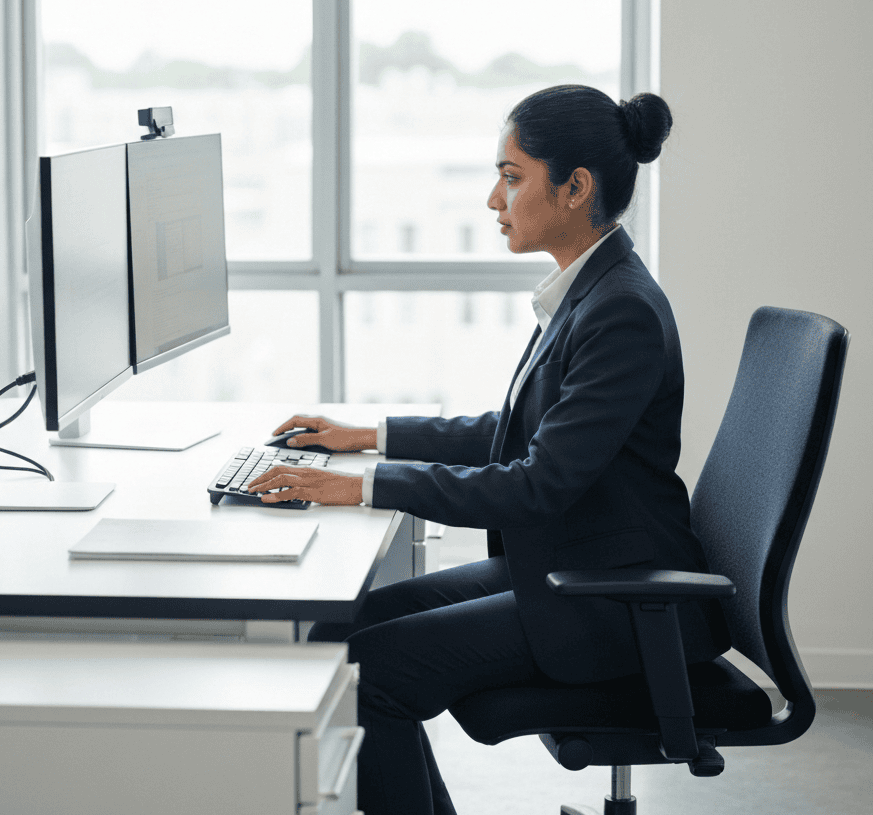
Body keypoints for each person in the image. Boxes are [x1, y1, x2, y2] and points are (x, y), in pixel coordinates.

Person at [247, 84, 730, 815]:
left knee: (366, 671)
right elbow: (515, 437)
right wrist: (367, 438)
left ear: (575, 189)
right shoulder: (590, 291)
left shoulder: (620, 311)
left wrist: (367, 484)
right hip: (568, 569)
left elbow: (536, 485)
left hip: (615, 601)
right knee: (342, 627)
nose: (493, 199)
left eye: (511, 177)